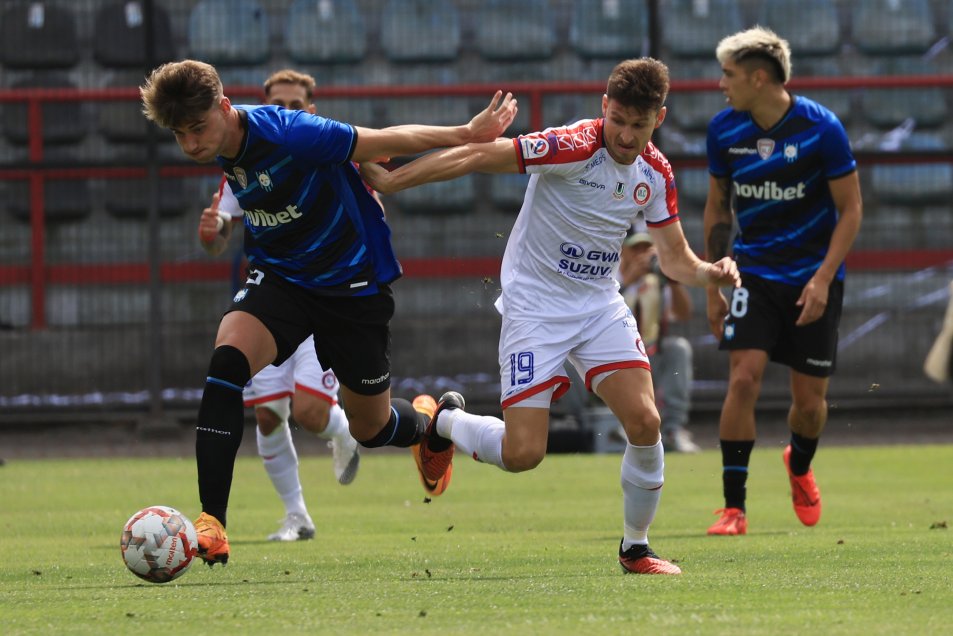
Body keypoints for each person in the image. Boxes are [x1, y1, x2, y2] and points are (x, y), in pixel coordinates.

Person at [360, 58, 740, 575]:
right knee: (523, 454)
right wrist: (394, 181)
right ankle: (442, 422)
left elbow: (674, 259)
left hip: (598, 304)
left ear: (660, 119)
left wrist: (710, 273)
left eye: (639, 124)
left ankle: (636, 548)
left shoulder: (656, 173)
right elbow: (478, 154)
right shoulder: (572, 145)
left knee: (646, 420)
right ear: (604, 107)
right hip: (535, 307)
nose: (626, 135)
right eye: (618, 119)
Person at [141, 59, 517, 566]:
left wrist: (466, 132)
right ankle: (212, 523)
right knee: (226, 363)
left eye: (197, 128)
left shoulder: (289, 131)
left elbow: (382, 139)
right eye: (179, 134)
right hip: (281, 279)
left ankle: (430, 423)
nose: (191, 143)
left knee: (371, 429)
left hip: (350, 285)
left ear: (225, 107)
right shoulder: (222, 145)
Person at [701, 27, 863, 536]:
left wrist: (822, 279)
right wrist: (712, 283)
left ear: (758, 78)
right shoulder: (723, 130)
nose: (721, 84)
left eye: (728, 74)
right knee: (742, 379)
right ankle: (734, 508)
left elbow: (852, 210)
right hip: (753, 273)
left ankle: (799, 462)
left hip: (813, 277)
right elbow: (717, 207)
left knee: (810, 405)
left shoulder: (822, 128)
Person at [198, 70, 366, 542]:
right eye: (279, 104)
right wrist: (212, 233)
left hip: (325, 299)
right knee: (269, 414)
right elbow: (219, 235)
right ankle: (297, 517)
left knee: (309, 412)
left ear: (311, 110)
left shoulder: (327, 152)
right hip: (273, 301)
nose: (287, 112)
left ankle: (343, 431)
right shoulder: (244, 160)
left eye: (296, 105)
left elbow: (368, 216)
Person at [618, 229, 700, 453]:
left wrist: (671, 280)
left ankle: (673, 429)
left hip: (651, 352)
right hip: (615, 354)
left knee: (679, 348)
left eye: (646, 249)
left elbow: (684, 313)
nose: (641, 255)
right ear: (623, 251)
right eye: (636, 249)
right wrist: (628, 281)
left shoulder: (659, 281)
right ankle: (602, 428)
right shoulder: (611, 279)